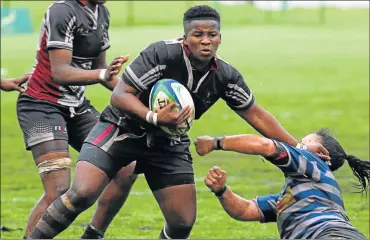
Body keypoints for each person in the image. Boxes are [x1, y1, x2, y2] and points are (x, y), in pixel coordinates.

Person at [28, 5, 328, 239]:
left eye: (212, 35)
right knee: (82, 192)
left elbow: (256, 114)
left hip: (168, 143)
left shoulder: (225, 75)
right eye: (198, 35)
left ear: (220, 37)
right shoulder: (161, 53)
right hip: (121, 129)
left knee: (182, 222)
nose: (206, 41)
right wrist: (154, 116)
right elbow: (120, 95)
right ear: (186, 37)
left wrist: (299, 148)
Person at [16, 0, 137, 238]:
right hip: (41, 105)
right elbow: (60, 72)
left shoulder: (101, 11)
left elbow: (102, 69)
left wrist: (139, 99)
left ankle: (93, 234)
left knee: (126, 168)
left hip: (77, 107)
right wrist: (102, 73)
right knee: (58, 190)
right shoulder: (62, 10)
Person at [195, 128, 369, 239]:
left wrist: (215, 143)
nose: (296, 145)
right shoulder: (294, 195)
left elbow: (265, 146)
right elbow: (246, 210)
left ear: (321, 152)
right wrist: (221, 191)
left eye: (304, 142)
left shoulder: (312, 161)